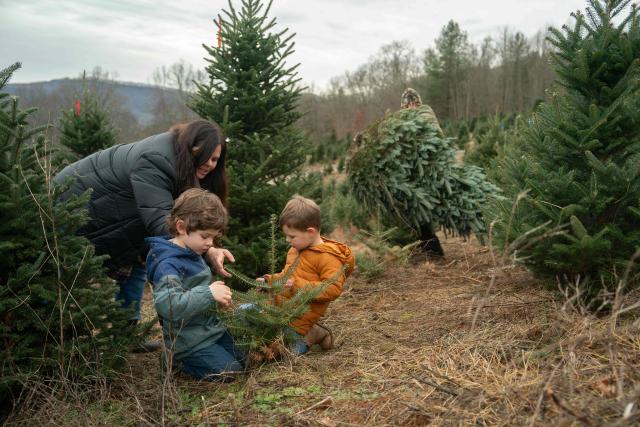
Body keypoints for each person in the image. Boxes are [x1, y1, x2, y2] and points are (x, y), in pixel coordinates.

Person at [55, 120, 235, 324]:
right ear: (190, 145)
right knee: (59, 269)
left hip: (121, 212)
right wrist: (208, 251)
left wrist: (210, 245)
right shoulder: (156, 160)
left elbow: (194, 221)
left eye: (215, 160)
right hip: (72, 201)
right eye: (205, 156)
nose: (210, 164)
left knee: (139, 255)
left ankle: (127, 332)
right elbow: (162, 224)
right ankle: (48, 330)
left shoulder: (185, 163)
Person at [146, 188, 243, 380]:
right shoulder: (167, 264)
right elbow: (170, 305)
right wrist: (209, 293)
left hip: (211, 330)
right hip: (188, 342)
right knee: (230, 372)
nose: (210, 243)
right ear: (181, 228)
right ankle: (177, 360)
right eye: (205, 236)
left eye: (214, 237)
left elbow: (196, 289)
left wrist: (218, 300)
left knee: (247, 357)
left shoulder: (192, 251)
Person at [264, 195, 355, 355]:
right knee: (254, 324)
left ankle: (315, 333)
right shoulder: (294, 250)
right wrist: (269, 281)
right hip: (283, 310)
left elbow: (333, 288)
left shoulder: (329, 257)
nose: (287, 240)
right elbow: (287, 277)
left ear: (311, 232)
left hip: (301, 319)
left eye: (292, 236)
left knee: (287, 353)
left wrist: (297, 286)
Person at [400, 88, 445, 257]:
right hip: (410, 172)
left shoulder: (426, 114)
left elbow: (435, 138)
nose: (410, 107)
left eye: (413, 103)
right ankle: (424, 247)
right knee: (414, 212)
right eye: (407, 105)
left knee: (420, 211)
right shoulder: (401, 120)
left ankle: (433, 250)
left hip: (427, 170)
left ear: (417, 103)